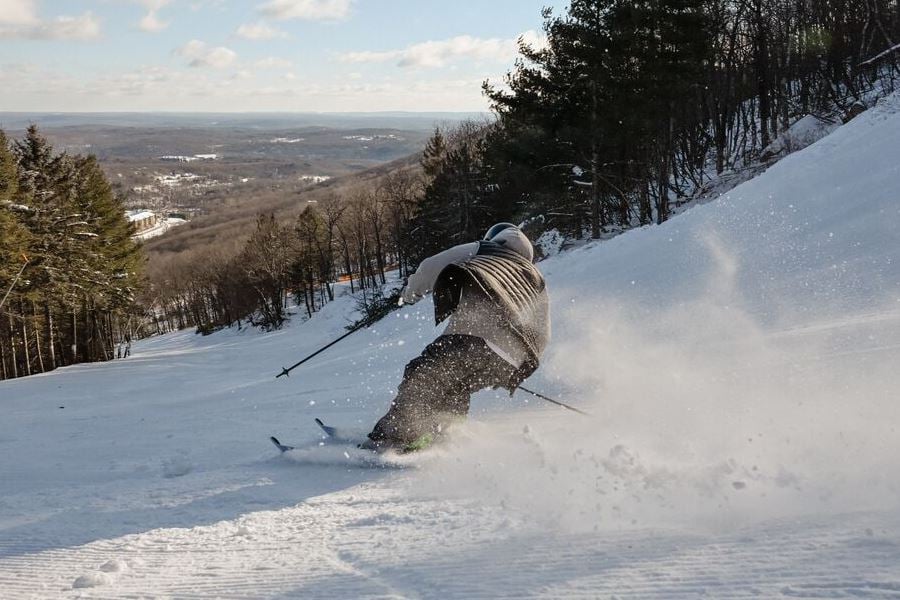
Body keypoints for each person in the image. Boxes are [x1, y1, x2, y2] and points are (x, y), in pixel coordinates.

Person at [363, 223, 551, 451]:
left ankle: (394, 439)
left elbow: (430, 267)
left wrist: (410, 294)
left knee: (423, 376)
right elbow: (543, 332)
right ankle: (443, 434)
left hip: (472, 339)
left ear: (495, 238)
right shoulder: (536, 278)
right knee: (456, 386)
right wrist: (516, 368)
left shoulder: (486, 249)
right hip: (511, 360)